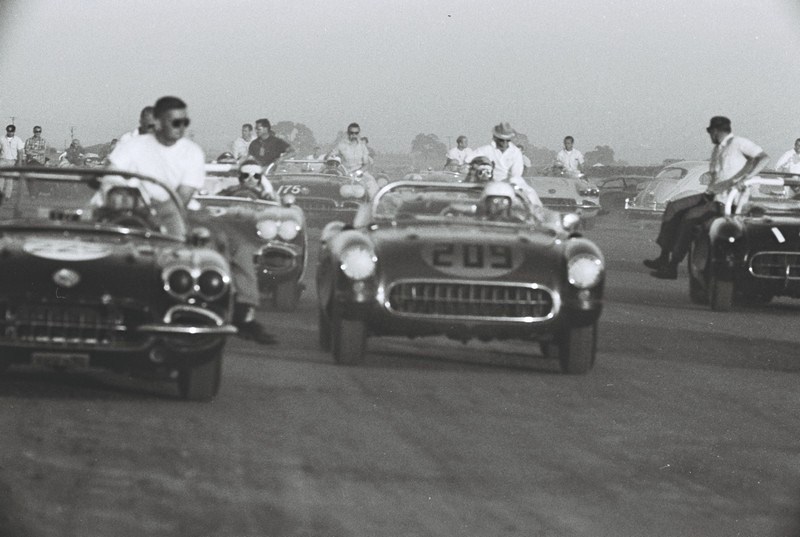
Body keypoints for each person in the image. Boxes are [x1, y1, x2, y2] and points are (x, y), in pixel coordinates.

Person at [107, 95, 276, 344]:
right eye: (173, 122)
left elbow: (181, 198)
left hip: (176, 208)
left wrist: (157, 209)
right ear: (156, 122)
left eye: (183, 122)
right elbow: (110, 178)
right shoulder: (130, 145)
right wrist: (122, 197)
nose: (180, 128)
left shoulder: (190, 152)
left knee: (233, 241)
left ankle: (242, 310)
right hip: (126, 207)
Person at [645, 116, 770, 279]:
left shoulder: (738, 143)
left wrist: (745, 178)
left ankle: (673, 265)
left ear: (716, 132)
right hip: (711, 195)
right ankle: (664, 257)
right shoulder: (718, 149)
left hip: (727, 201)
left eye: (711, 132)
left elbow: (764, 158)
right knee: (673, 207)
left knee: (690, 217)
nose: (711, 136)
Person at [472, 122, 541, 207]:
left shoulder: (515, 152)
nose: (504, 143)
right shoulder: (485, 150)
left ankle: (536, 212)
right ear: (495, 138)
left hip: (510, 183)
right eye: (501, 140)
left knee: (530, 193)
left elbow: (516, 174)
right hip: (485, 181)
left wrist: (506, 183)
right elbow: (468, 161)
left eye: (507, 140)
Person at [333, 122, 378, 196]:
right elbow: (330, 157)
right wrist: (331, 156)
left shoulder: (362, 146)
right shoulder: (341, 145)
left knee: (372, 186)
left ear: (358, 134)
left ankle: (371, 206)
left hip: (360, 174)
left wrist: (359, 172)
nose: (354, 135)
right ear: (348, 133)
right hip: (345, 174)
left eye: (356, 133)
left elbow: (366, 164)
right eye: (352, 133)